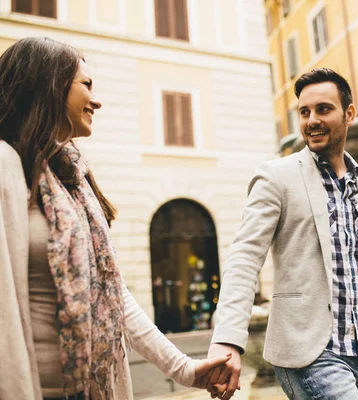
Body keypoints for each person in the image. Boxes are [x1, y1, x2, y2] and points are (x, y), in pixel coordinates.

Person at [0, 37, 230, 400]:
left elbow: (114, 294)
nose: (97, 100)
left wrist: (184, 368)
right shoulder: (6, 167)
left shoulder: (73, 180)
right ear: (49, 84)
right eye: (86, 85)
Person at [205, 68, 358, 400]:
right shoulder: (277, 177)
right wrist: (227, 338)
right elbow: (244, 258)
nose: (312, 120)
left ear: (349, 114)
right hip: (310, 352)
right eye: (304, 112)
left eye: (323, 109)